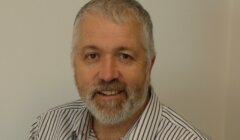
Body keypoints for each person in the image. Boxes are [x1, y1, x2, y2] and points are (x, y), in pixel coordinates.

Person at [29, 0, 209, 140]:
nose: (108, 75)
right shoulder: (47, 127)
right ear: (74, 63)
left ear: (149, 64)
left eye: (125, 56)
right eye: (92, 56)